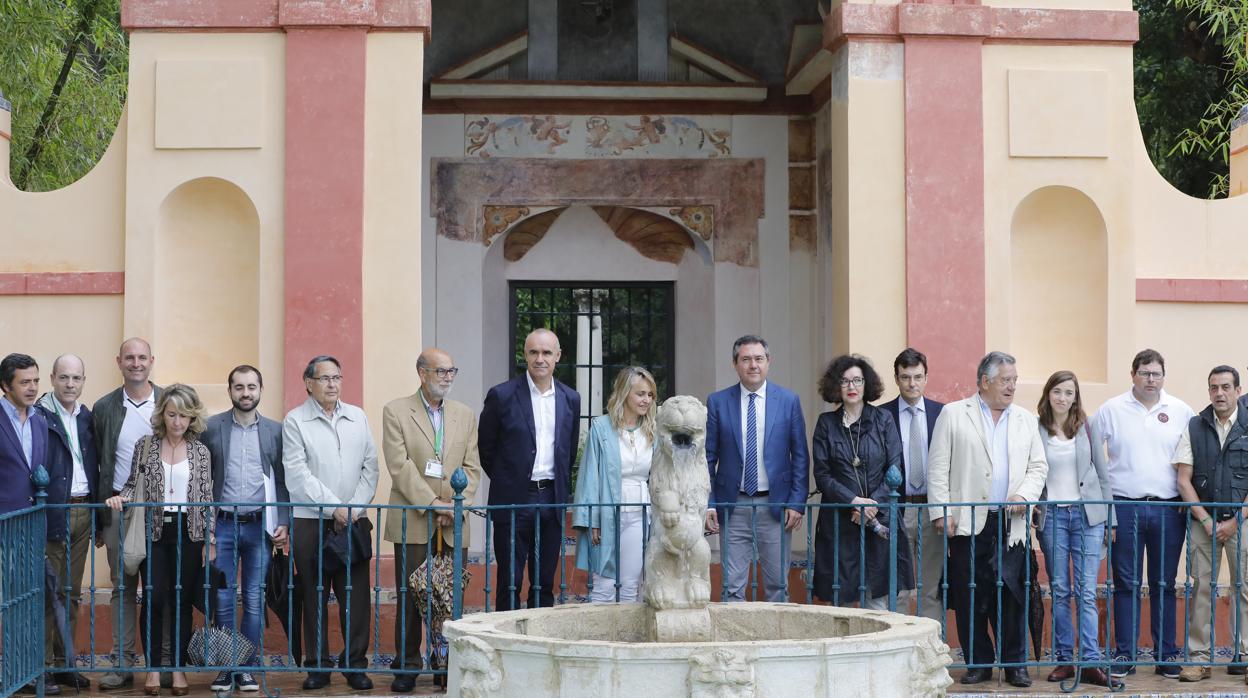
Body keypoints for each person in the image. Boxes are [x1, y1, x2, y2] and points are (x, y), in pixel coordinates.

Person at [927, 351, 1047, 688]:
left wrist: (1024, 494)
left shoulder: (1025, 419)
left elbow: (1038, 466)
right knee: (969, 592)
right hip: (967, 521)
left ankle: (1014, 664)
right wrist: (942, 511)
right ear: (984, 381)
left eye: (1014, 380)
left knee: (1013, 592)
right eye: (1005, 380)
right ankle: (978, 663)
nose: (1011, 387)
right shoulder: (954, 414)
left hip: (1012, 522)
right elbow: (938, 466)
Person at [382, 348, 482, 693]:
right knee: (411, 597)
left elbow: (472, 467)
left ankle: (446, 667)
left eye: (452, 371)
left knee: (450, 599)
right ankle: (407, 667)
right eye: (441, 371)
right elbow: (400, 466)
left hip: (453, 522)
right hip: (414, 519)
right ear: (422, 373)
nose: (448, 377)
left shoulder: (465, 414)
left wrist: (455, 506)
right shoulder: (396, 411)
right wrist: (433, 502)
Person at [1091, 348, 1194, 679]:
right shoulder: (1111, 410)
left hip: (1167, 507)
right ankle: (1126, 655)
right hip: (1125, 506)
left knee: (1164, 583)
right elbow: (1091, 456)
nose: (1151, 379)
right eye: (1145, 373)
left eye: (1157, 373)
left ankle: (1166, 655)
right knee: (1126, 583)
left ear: (1164, 376)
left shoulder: (1180, 410)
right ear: (1132, 374)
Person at [106, 383, 213, 697]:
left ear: (192, 417)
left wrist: (211, 538)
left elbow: (207, 497)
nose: (177, 422)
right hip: (153, 530)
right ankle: (153, 668)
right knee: (152, 598)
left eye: (183, 415)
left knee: (181, 602)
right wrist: (120, 499)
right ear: (162, 414)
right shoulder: (146, 447)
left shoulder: (200, 452)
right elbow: (134, 481)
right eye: (171, 414)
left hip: (189, 532)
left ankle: (177, 669)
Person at [283, 355, 379, 692]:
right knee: (314, 595)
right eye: (325, 378)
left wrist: (353, 508)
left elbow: (371, 467)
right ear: (308, 382)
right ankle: (318, 667)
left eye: (337, 377)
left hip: (354, 520)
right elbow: (297, 475)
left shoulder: (357, 417)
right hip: (312, 521)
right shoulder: (295, 421)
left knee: (356, 597)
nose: (332, 384)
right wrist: (334, 508)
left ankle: (355, 666)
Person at [479, 329, 581, 610]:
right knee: (509, 581)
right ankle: (506, 645)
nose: (540, 359)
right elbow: (486, 448)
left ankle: (539, 645)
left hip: (551, 496)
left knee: (544, 580)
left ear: (558, 356)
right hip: (514, 497)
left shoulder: (570, 398)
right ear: (524, 355)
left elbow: (568, 451)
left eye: (547, 352)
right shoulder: (501, 395)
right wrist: (509, 479)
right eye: (534, 352)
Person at [202, 365, 288, 693]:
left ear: (261, 390)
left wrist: (283, 521)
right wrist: (206, 525)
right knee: (223, 597)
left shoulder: (275, 431)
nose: (246, 393)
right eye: (239, 387)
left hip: (258, 527)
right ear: (230, 391)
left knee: (254, 598)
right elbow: (203, 476)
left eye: (251, 386)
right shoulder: (211, 428)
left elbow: (282, 480)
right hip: (222, 525)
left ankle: (248, 668)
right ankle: (226, 668)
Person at [705, 335, 809, 602]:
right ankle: (734, 642)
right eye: (746, 359)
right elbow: (707, 457)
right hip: (733, 504)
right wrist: (710, 503)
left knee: (778, 585)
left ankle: (775, 644)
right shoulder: (718, 402)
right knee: (731, 586)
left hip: (775, 505)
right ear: (735, 364)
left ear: (768, 362)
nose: (753, 365)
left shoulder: (788, 401)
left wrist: (796, 503)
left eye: (759, 359)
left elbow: (800, 456)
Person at [1034, 370, 1119, 688]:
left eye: (1069, 392)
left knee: (1085, 592)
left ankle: (1091, 662)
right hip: (1053, 516)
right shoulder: (1036, 427)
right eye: (1058, 391)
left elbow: (1103, 471)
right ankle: (1064, 661)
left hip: (1087, 516)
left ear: (1075, 396)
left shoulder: (1087, 426)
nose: (1063, 398)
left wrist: (1110, 518)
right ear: (1048, 393)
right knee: (1060, 590)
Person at [811, 354, 912, 609]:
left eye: (857, 380)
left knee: (876, 603)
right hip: (840, 524)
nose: (852, 387)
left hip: (878, 521)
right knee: (841, 604)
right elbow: (822, 474)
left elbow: (895, 469)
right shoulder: (826, 424)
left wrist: (871, 505)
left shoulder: (883, 421)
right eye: (845, 381)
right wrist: (854, 502)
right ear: (836, 386)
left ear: (867, 385)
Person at [93, 338, 161, 691]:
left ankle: (158, 666)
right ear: (119, 361)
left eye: (141, 357)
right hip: (120, 508)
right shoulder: (105, 407)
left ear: (152, 360)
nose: (136, 363)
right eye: (129, 358)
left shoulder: (169, 402)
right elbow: (96, 464)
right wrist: (100, 521)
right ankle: (121, 663)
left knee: (159, 589)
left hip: (162, 512)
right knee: (123, 587)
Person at [1174, 365, 1248, 683]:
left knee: (1245, 589)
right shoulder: (1194, 425)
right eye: (1213, 387)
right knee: (1201, 588)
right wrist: (1204, 519)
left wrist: (1236, 521)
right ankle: (1198, 660)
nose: (1219, 393)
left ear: (1238, 391)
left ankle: (1244, 657)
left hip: (1243, 522)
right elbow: (1183, 480)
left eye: (1225, 387)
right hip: (1203, 524)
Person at [0, 353, 61, 697]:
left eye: (36, 380)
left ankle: (24, 673)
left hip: (31, 525)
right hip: (4, 523)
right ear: (6, 385)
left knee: (27, 600)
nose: (33, 387)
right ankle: (13, 673)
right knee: (8, 601)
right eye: (25, 382)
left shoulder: (40, 420)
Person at [36, 354, 99, 690]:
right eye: (64, 378)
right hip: (54, 512)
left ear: (83, 380)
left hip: (84, 510)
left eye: (76, 378)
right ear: (52, 378)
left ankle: (65, 664)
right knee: (50, 592)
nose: (70, 384)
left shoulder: (87, 417)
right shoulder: (40, 417)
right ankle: (43, 666)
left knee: (72, 593)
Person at [573, 366, 658, 603]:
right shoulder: (601, 428)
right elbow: (591, 476)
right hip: (608, 511)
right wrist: (593, 519)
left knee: (631, 584)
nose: (646, 400)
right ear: (624, 393)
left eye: (650, 395)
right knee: (604, 583)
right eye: (640, 393)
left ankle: (626, 639)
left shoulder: (653, 430)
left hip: (641, 513)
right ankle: (599, 638)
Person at [880, 348, 945, 621]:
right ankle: (901, 642)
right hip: (899, 509)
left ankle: (931, 643)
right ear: (896, 379)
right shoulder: (882, 415)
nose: (912, 383)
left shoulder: (942, 413)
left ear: (926, 378)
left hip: (932, 509)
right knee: (898, 584)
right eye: (905, 377)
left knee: (932, 584)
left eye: (918, 377)